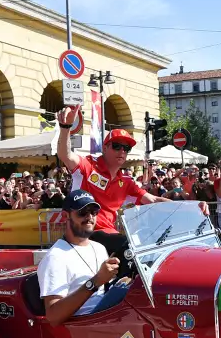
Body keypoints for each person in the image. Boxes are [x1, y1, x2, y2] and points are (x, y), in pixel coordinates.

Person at [55, 105, 172, 258]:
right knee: (128, 246)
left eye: (126, 148)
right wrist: (65, 128)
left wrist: (191, 207)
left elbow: (153, 199)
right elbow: (66, 155)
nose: (122, 151)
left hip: (109, 235)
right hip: (86, 232)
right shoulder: (89, 166)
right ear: (105, 148)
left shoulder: (126, 181)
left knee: (148, 249)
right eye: (116, 146)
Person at [38, 190, 121, 327]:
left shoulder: (99, 248)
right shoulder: (55, 258)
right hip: (85, 327)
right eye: (82, 212)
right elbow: (53, 316)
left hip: (106, 318)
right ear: (66, 216)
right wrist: (95, 282)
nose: (89, 217)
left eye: (94, 212)